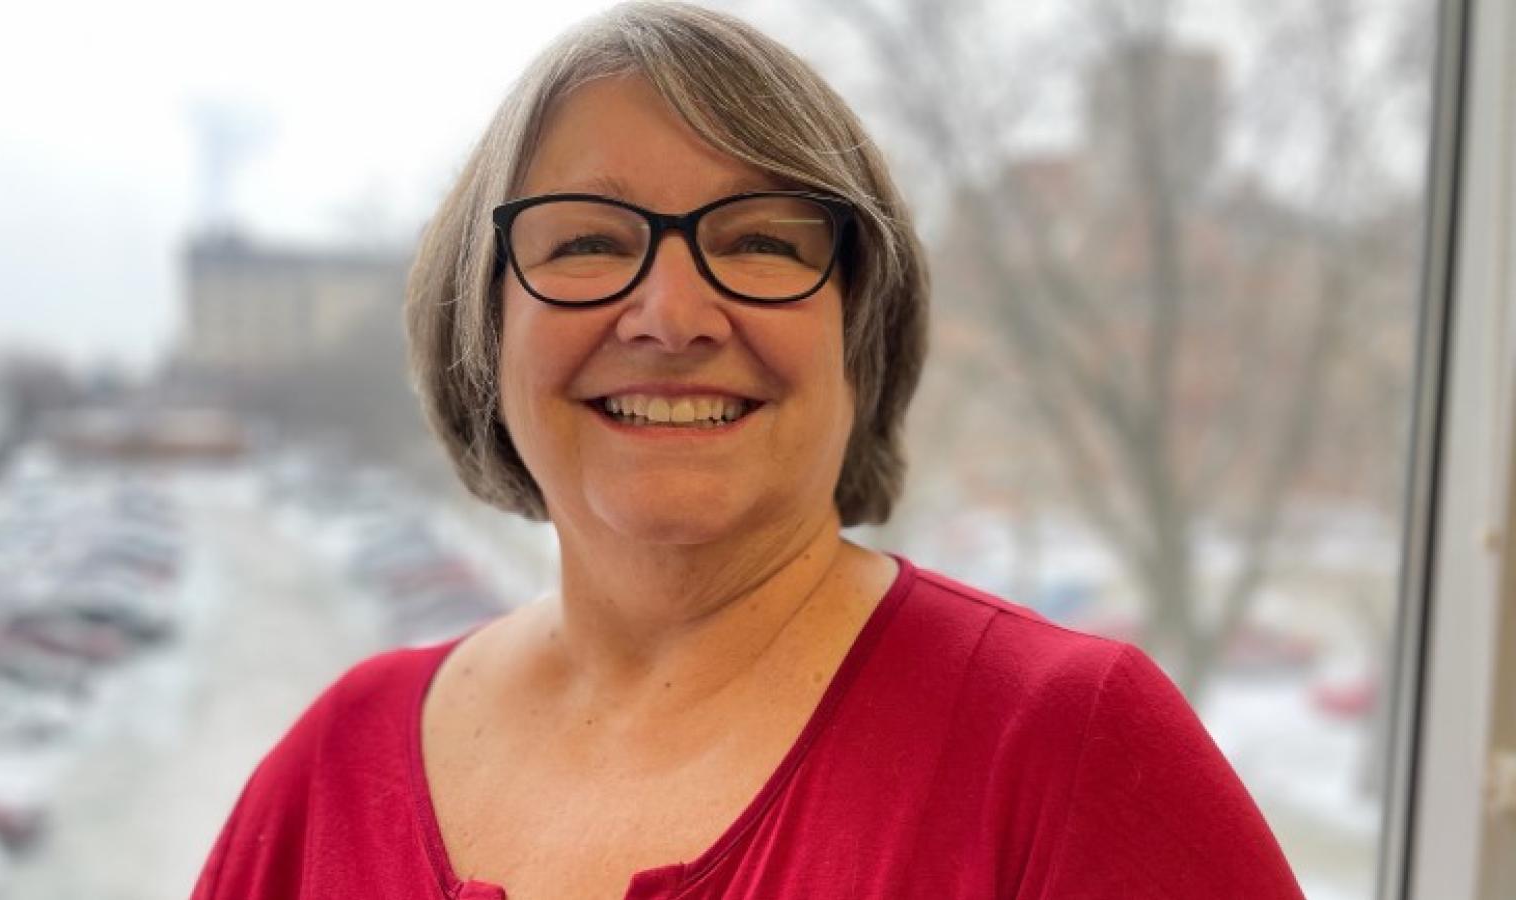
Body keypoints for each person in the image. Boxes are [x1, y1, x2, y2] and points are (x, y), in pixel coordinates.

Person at [190, 3, 1305, 898]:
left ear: (858, 329)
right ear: (483, 331)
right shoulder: (331, 772)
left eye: (762, 241)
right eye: (587, 241)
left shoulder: (1067, 750)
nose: (672, 316)